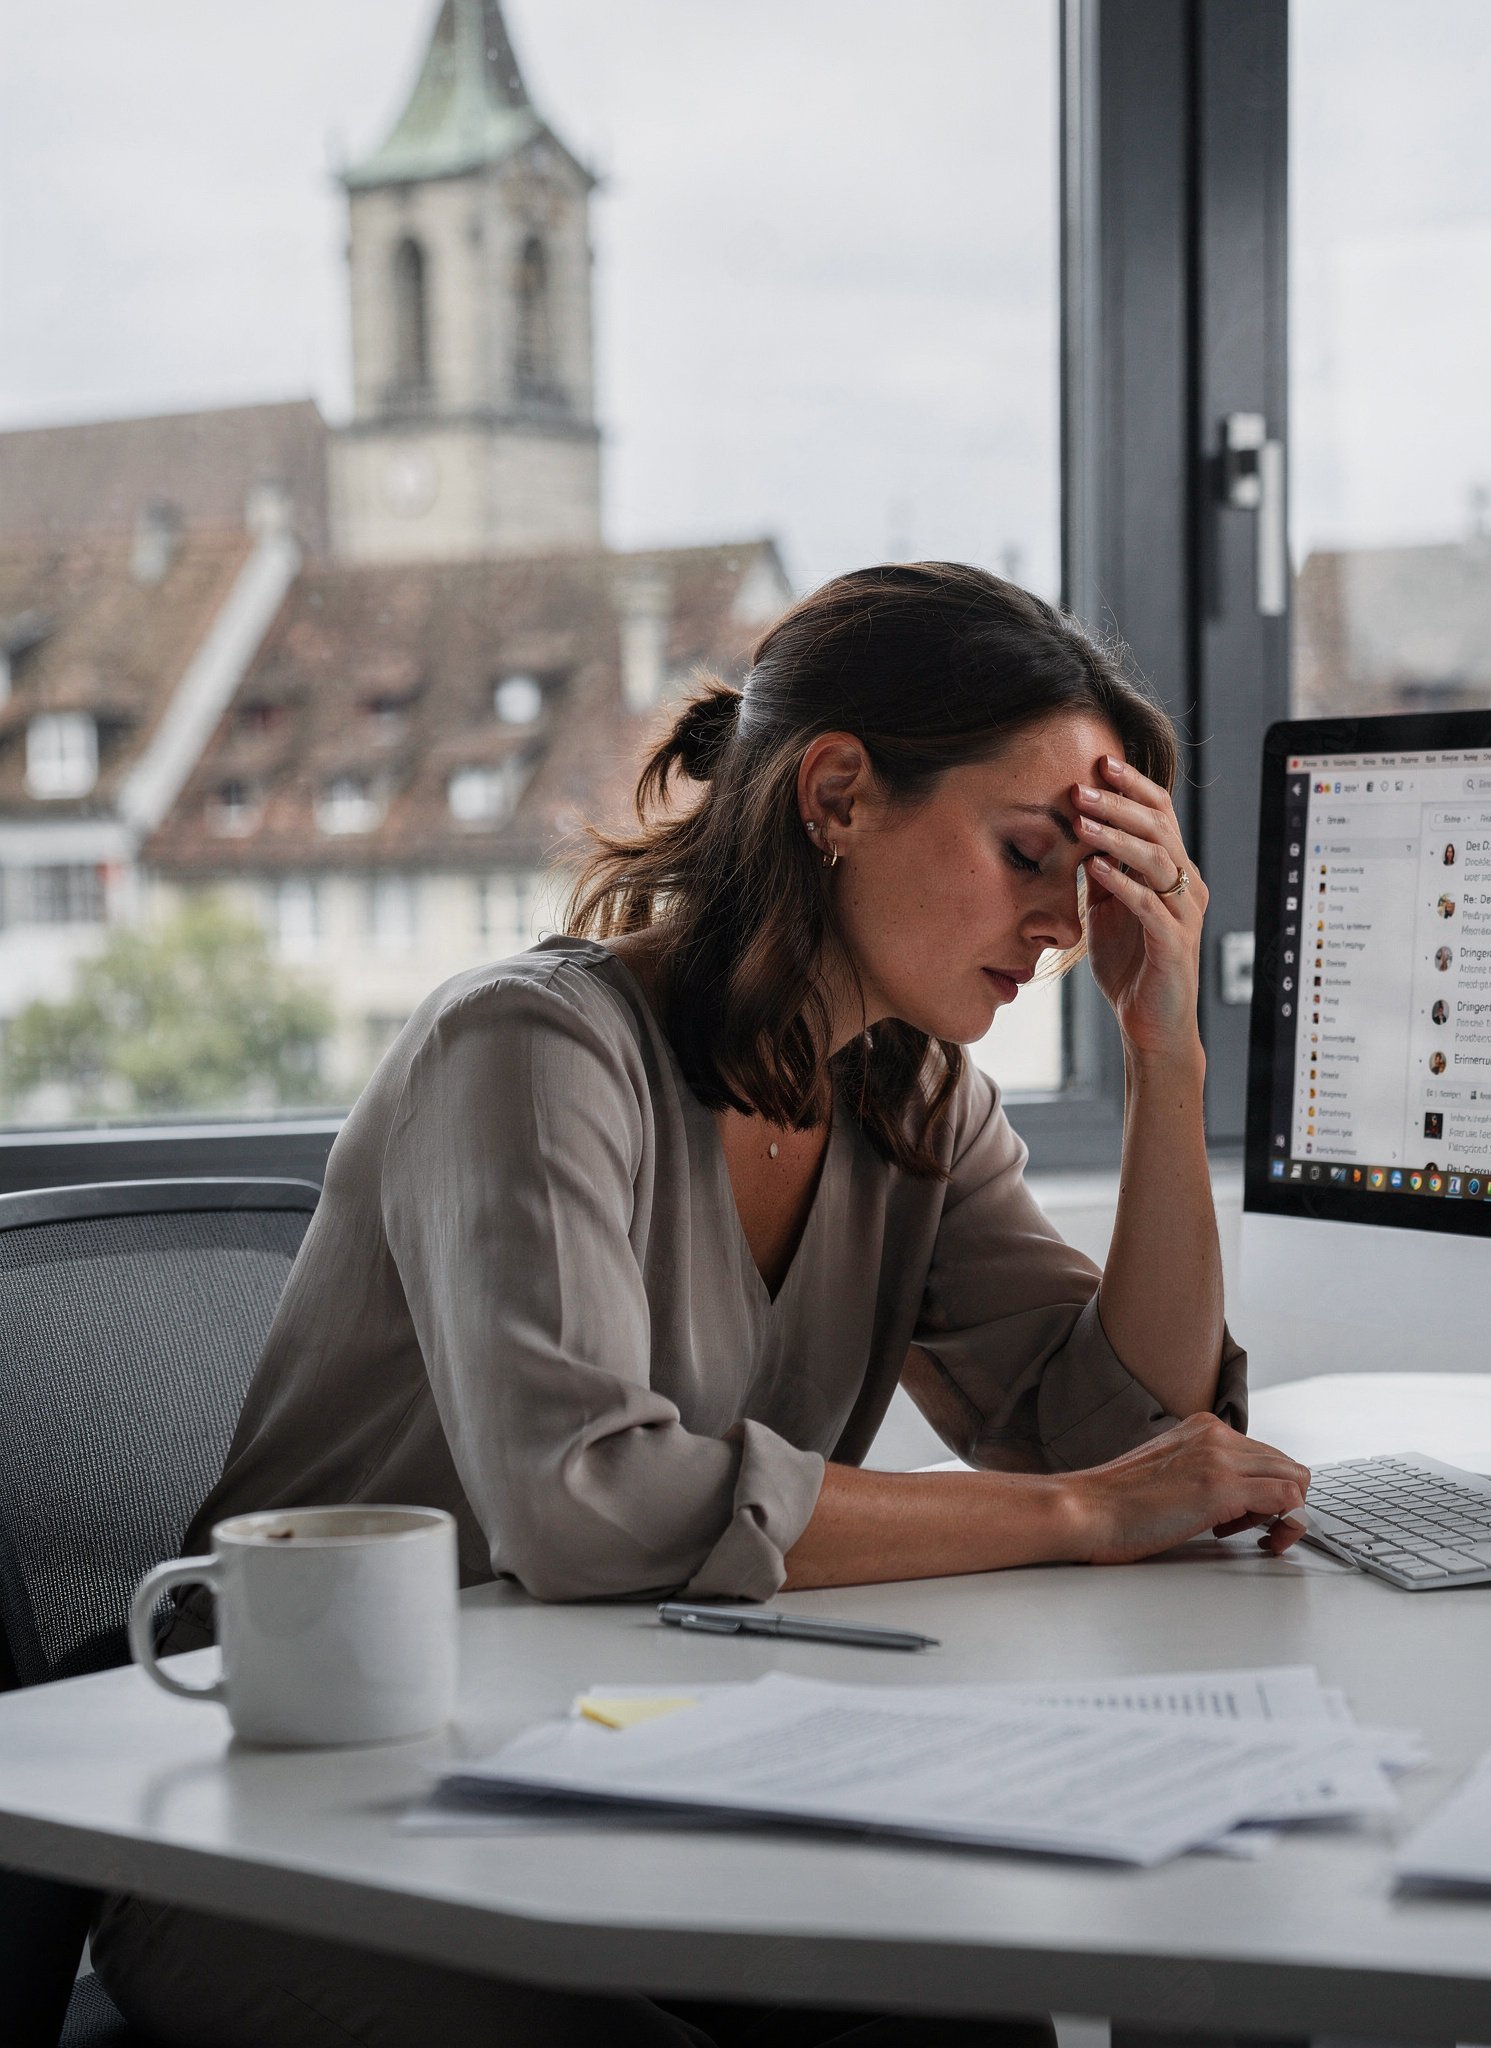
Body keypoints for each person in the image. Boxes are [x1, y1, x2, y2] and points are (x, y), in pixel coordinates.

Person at [94, 565, 1308, 2048]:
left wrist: (1163, 1057)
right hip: (306, 1834)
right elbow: (588, 1502)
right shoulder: (527, 1050)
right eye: (1027, 851)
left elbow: (1122, 1428)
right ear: (840, 795)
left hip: (619, 1774)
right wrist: (1079, 1513)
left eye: (1097, 867)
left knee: (962, 2010)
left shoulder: (915, 1100)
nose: (1067, 917)